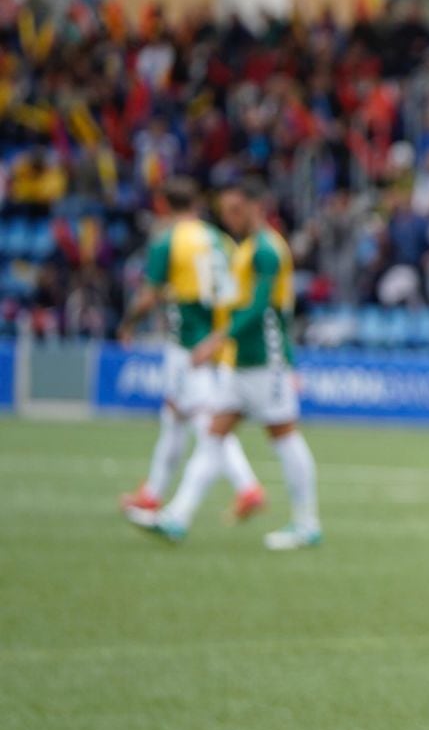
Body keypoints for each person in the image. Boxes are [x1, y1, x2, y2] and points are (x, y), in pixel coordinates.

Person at [129, 178, 321, 550]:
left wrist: (217, 340)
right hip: (241, 363)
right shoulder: (247, 248)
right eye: (225, 211)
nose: (229, 218)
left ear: (255, 206)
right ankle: (177, 516)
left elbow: (262, 308)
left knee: (283, 437)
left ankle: (306, 523)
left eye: (235, 210)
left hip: (266, 360)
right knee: (214, 435)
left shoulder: (266, 249)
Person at [118, 178, 263, 523]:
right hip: (218, 334)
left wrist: (128, 324)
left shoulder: (167, 240)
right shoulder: (219, 239)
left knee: (206, 421)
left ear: (163, 206)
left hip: (187, 342)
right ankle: (152, 493)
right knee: (174, 414)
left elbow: (150, 294)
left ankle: (247, 486)